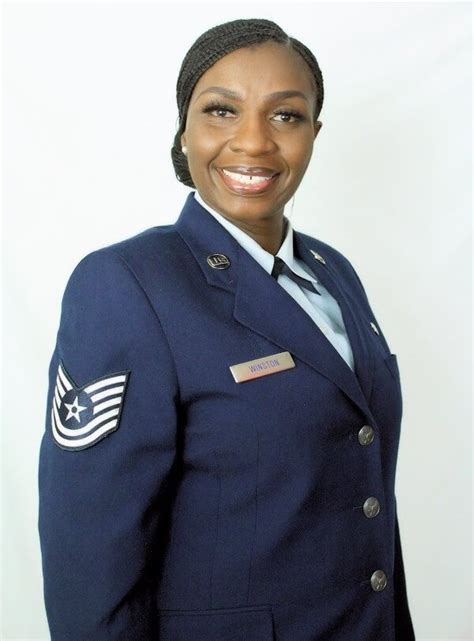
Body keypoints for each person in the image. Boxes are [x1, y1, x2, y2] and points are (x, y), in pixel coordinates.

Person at [38, 17, 416, 641]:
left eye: (285, 117)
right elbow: (90, 550)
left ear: (314, 135)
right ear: (184, 130)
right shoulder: (128, 283)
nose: (253, 143)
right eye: (221, 111)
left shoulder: (334, 273)